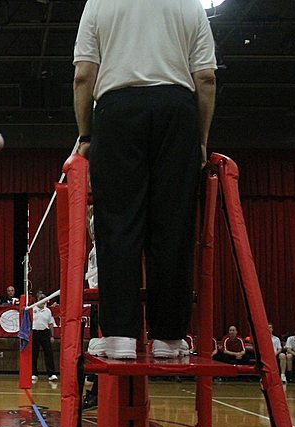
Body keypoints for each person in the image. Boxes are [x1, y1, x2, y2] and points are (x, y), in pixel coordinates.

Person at [73, 0, 217, 359]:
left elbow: (83, 76)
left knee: (117, 224)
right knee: (173, 225)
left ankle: (120, 335)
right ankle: (169, 338)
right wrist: (199, 140)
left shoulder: (98, 4)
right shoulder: (190, 6)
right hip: (177, 110)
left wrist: (87, 136)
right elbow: (206, 78)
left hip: (117, 110)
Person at [31, 294, 58, 383]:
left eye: (44, 300)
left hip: (45, 333)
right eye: (41, 299)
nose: (42, 301)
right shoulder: (32, 309)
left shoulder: (48, 311)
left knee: (48, 353)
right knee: (34, 354)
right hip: (35, 333)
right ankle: (34, 373)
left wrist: (52, 336)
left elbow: (51, 324)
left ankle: (51, 374)